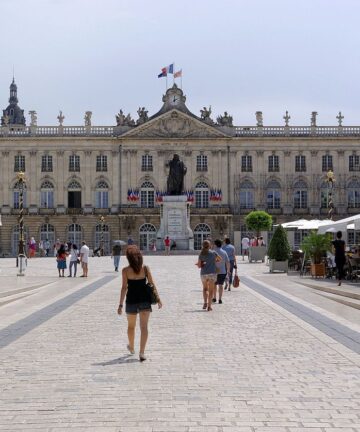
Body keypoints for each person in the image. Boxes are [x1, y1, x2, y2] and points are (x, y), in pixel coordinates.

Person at [117, 245, 162, 362]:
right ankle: (142, 352)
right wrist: (158, 299)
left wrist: (120, 305)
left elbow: (123, 288)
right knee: (144, 327)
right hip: (145, 300)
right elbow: (152, 284)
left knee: (131, 326)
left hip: (131, 300)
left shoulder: (125, 270)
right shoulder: (145, 268)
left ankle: (132, 347)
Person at [196, 240, 221, 312]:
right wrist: (214, 261)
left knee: (205, 289)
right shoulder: (213, 253)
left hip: (204, 273)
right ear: (209, 245)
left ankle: (205, 303)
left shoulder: (201, 254)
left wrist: (202, 264)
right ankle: (209, 306)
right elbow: (220, 259)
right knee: (211, 290)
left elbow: (199, 266)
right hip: (212, 274)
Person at [213, 239, 230, 304]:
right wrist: (228, 270)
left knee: (214, 285)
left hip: (214, 271)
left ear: (215, 245)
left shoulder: (213, 252)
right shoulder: (224, 252)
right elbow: (227, 262)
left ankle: (214, 298)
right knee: (221, 285)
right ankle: (220, 299)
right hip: (223, 271)